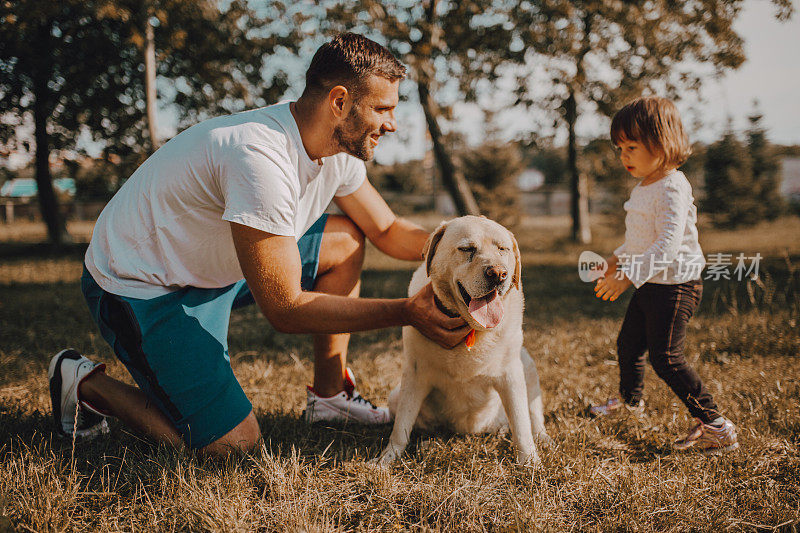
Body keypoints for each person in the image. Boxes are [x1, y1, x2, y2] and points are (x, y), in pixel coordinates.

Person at [48, 33, 470, 456]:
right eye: (382, 108)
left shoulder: (337, 150)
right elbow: (285, 308)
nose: (391, 123)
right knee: (233, 446)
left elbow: (387, 230)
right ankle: (83, 382)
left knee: (344, 239)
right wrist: (407, 312)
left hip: (212, 267)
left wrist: (471, 245)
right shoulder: (259, 156)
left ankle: (329, 398)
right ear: (339, 102)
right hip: (141, 285)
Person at [589, 96, 738, 454]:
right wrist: (615, 259)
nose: (623, 155)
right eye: (619, 148)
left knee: (666, 357)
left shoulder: (672, 186)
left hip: (676, 286)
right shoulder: (644, 186)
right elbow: (641, 240)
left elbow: (667, 245)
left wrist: (626, 277)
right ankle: (630, 402)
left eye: (631, 146)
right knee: (628, 345)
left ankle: (717, 425)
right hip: (652, 283)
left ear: (661, 142)